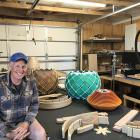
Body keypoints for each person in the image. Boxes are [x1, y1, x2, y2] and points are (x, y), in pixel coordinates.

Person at [0, 52, 47, 140]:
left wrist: (26, 123)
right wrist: (8, 133)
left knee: (41, 134)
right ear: (10, 65)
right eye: (17, 66)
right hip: (5, 125)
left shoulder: (31, 82)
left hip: (25, 120)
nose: (21, 70)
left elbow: (34, 105)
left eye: (23, 66)